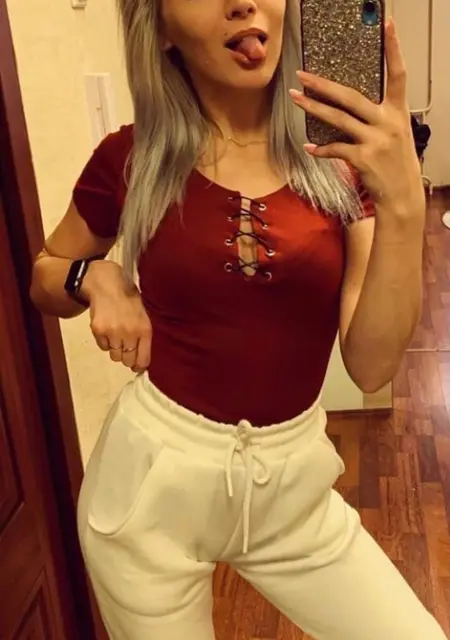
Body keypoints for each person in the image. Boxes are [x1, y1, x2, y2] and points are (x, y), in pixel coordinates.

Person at [30, 1, 447, 639]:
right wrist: (97, 278)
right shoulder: (132, 158)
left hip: (294, 493)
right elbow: (46, 272)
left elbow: (371, 366)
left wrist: (404, 203)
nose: (242, 2)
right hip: (152, 492)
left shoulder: (341, 164)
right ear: (160, 29)